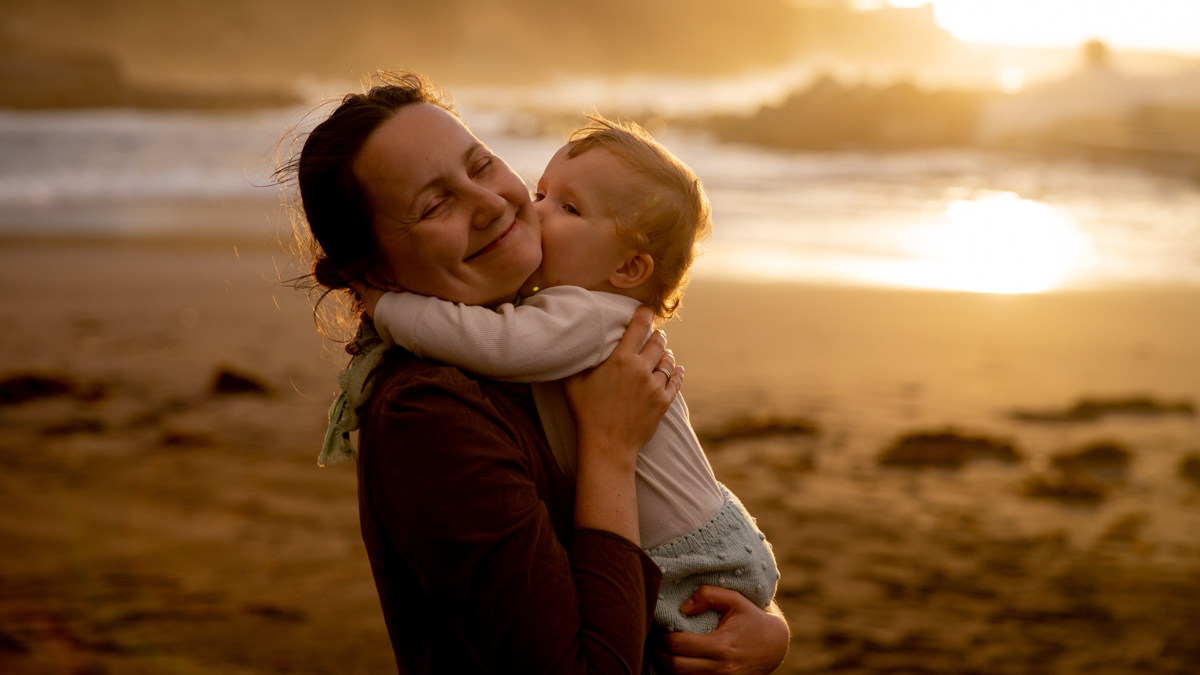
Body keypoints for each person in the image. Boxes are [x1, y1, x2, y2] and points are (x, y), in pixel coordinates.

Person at [282, 69, 789, 674]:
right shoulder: (430, 415)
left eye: (479, 166)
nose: (492, 204)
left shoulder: (541, 337)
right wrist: (609, 450)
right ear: (377, 272)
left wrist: (768, 632)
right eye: (435, 203)